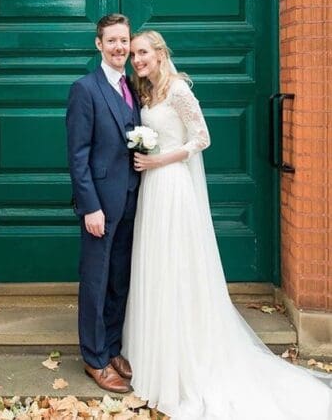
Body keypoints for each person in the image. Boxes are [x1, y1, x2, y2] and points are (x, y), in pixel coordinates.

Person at [122, 30, 332, 420]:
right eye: (134, 54)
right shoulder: (145, 92)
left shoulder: (179, 90)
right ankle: (156, 354)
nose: (137, 59)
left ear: (160, 53)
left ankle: (187, 361)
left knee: (178, 267)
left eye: (143, 52)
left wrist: (159, 160)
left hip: (172, 187)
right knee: (155, 267)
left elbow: (202, 138)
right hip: (152, 189)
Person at [66, 14, 141, 393]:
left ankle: (112, 346)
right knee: (95, 282)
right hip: (100, 206)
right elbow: (77, 156)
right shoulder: (85, 89)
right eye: (111, 41)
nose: (119, 48)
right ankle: (94, 358)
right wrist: (89, 206)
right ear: (99, 44)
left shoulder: (132, 88)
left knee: (118, 280)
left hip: (131, 200)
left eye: (123, 41)